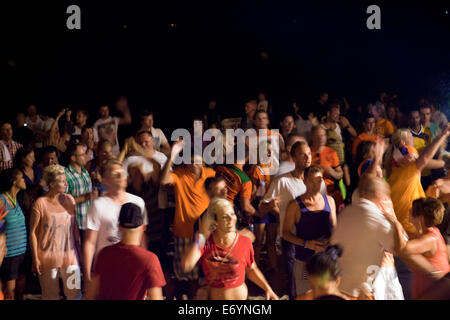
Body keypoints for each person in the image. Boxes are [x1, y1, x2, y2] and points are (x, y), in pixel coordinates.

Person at [181, 197, 278, 300]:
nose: (231, 219)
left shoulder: (244, 242)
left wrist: (267, 288)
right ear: (215, 222)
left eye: (232, 214)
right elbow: (186, 265)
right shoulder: (206, 243)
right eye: (224, 217)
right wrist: (202, 236)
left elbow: (251, 269)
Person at [160, 140, 215, 298]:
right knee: (186, 275)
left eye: (196, 160)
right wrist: (171, 155)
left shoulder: (210, 174)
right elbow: (163, 180)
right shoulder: (180, 173)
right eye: (190, 160)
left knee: (205, 275)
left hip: (205, 232)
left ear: (203, 161)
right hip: (184, 231)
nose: (193, 163)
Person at [83, 159, 148, 289]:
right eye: (115, 174)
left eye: (122, 173)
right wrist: (87, 276)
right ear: (105, 180)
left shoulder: (138, 202)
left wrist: (144, 268)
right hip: (106, 268)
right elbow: (89, 242)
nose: (120, 176)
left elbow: (142, 237)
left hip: (132, 268)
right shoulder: (98, 205)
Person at [85, 202, 166, 300]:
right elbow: (156, 298)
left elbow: (90, 294)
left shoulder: (104, 254)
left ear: (119, 226)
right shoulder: (150, 260)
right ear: (143, 227)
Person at [29, 164, 81, 300]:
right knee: (50, 296)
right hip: (47, 257)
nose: (66, 183)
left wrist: (80, 251)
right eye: (62, 181)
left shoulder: (69, 199)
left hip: (70, 256)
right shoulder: (40, 203)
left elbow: (74, 228)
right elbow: (33, 232)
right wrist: (35, 258)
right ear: (51, 184)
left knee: (74, 294)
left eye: (66, 180)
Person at [283, 166, 337, 296]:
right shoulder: (294, 205)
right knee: (306, 296)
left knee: (326, 296)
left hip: (326, 261)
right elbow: (285, 233)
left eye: (318, 181)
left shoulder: (330, 201)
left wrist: (332, 239)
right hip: (304, 261)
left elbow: (335, 227)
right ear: (304, 181)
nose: (316, 185)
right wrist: (307, 244)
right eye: (312, 181)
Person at [386, 197, 450, 299]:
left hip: (437, 288)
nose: (409, 211)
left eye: (412, 211)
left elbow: (403, 249)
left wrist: (396, 223)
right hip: (430, 286)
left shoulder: (430, 239)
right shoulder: (429, 232)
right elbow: (405, 237)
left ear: (420, 218)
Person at [0, 169, 28, 300]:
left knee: (20, 291)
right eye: (22, 177)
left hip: (22, 252)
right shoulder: (1, 201)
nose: (24, 180)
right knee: (9, 292)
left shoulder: (17, 200)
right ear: (13, 181)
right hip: (9, 254)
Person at [65, 143, 97, 244]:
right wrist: (86, 197)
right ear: (73, 158)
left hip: (90, 222)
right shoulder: (66, 175)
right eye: (82, 155)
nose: (86, 157)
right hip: (77, 224)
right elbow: (63, 202)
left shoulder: (85, 172)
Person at [310, 126, 343, 198]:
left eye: (323, 135)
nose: (321, 138)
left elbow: (340, 174)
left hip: (329, 191)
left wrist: (332, 172)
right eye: (317, 136)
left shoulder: (331, 153)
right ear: (312, 137)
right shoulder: (307, 152)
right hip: (311, 191)